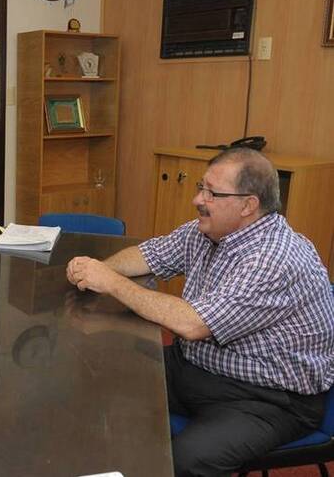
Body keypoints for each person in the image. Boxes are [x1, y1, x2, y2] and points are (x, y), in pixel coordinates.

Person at [66, 147, 334, 476]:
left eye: (211, 192)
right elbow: (149, 256)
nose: (198, 199)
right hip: (200, 365)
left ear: (248, 205)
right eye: (200, 186)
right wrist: (95, 271)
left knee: (187, 460)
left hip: (270, 398)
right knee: (103, 376)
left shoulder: (276, 258)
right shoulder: (208, 231)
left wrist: (109, 281)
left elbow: (192, 324)